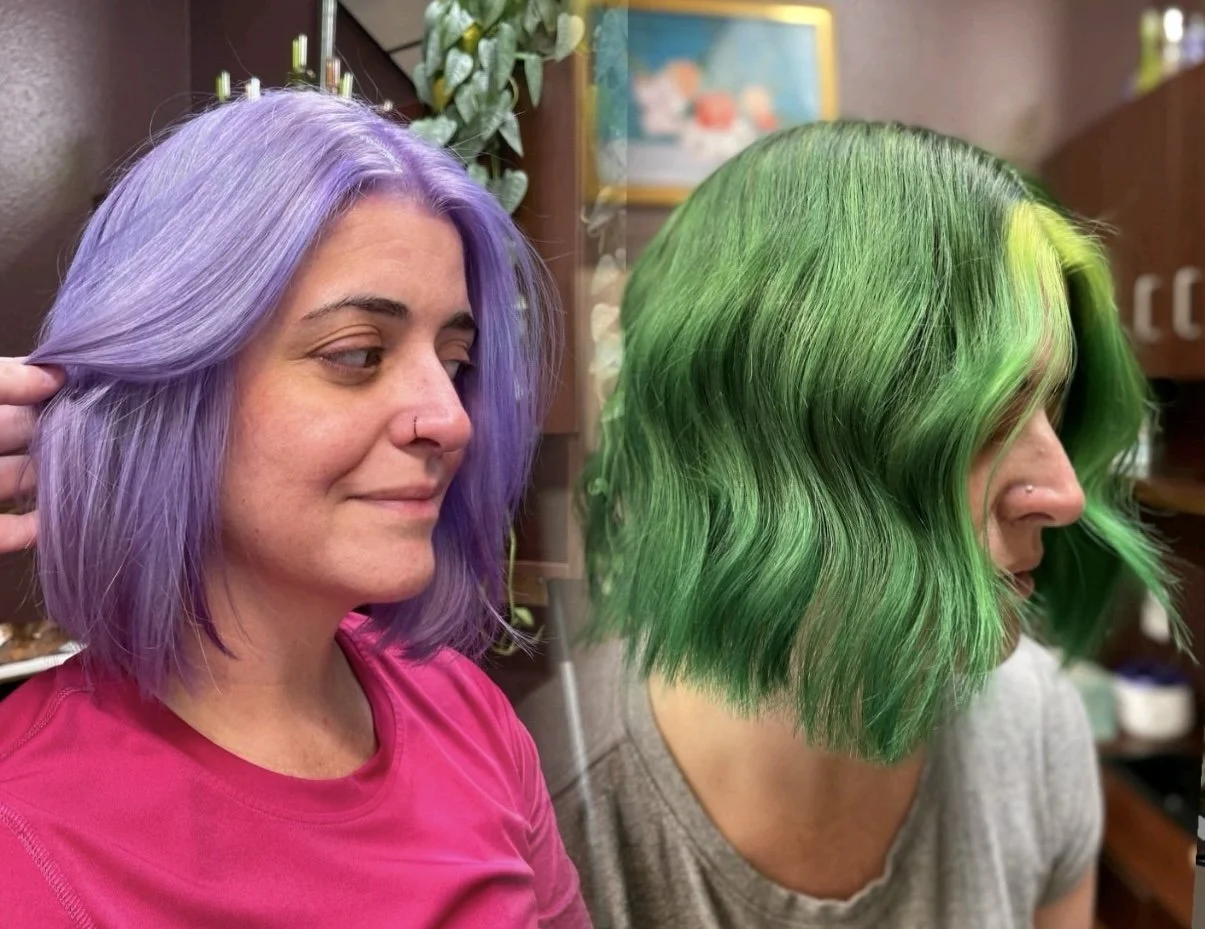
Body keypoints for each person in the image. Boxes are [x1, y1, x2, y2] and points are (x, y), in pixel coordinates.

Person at [518, 122, 1181, 929]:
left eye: (1049, 402)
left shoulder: (1033, 724)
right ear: (764, 446)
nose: (1064, 492)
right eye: (979, 414)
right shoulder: (549, 812)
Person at [0, 89, 588, 928]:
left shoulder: (467, 714)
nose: (449, 419)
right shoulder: (24, 833)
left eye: (454, 360)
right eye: (356, 354)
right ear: (168, 387)